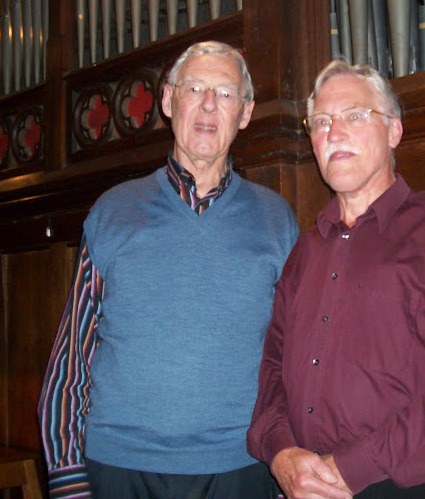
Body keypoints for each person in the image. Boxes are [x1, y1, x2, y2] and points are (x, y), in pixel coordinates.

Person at [38, 41, 298, 498]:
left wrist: (283, 472)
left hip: (240, 467)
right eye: (194, 87)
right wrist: (65, 475)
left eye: (225, 92)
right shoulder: (112, 212)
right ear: (167, 101)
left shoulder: (277, 221)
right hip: (118, 467)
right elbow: (70, 359)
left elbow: (292, 363)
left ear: (245, 112)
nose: (208, 104)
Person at [247, 60, 425, 499]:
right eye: (321, 122)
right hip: (301, 484)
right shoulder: (304, 252)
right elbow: (272, 368)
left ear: (394, 131)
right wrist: (281, 453)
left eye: (354, 115)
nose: (333, 132)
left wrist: (352, 467)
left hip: (403, 484)